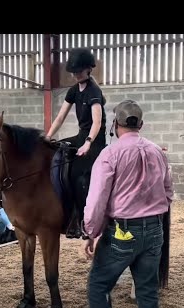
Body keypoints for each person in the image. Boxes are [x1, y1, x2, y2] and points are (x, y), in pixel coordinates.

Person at [82, 100, 174, 308]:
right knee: (148, 292)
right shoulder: (157, 152)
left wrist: (91, 232)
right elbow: (168, 192)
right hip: (154, 229)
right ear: (141, 124)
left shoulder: (109, 154)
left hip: (122, 232)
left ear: (115, 124)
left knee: (99, 285)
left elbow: (96, 200)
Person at [46, 48, 107, 239]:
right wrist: (47, 137)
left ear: (88, 69)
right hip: (81, 135)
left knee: (78, 175)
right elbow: (60, 117)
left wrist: (88, 143)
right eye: (74, 72)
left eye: (79, 71)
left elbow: (96, 123)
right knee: (56, 152)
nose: (75, 75)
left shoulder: (93, 91)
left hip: (95, 140)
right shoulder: (73, 91)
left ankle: (82, 219)